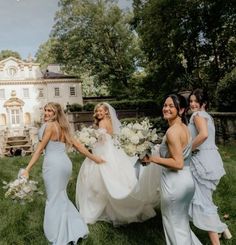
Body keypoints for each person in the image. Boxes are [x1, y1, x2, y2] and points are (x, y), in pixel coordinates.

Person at [21, 102, 104, 245]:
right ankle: (75, 226)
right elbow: (78, 146)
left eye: (50, 111)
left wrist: (27, 169)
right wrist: (95, 158)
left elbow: (40, 149)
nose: (46, 113)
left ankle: (57, 232)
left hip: (53, 165)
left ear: (56, 113)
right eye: (45, 110)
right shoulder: (63, 127)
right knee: (61, 195)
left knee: (53, 198)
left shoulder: (49, 126)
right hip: (65, 164)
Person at [76, 102, 161, 226]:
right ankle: (110, 208)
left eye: (101, 111)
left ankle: (97, 208)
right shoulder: (109, 122)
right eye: (97, 111)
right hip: (111, 152)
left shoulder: (102, 123)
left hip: (104, 152)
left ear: (106, 112)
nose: (99, 113)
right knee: (114, 179)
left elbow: (102, 140)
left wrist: (90, 141)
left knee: (98, 181)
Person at [142, 94, 202, 245]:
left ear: (181, 110)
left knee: (174, 228)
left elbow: (178, 163)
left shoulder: (172, 132)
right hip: (187, 181)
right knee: (181, 225)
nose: (166, 108)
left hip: (174, 183)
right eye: (165, 105)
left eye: (171, 106)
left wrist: (152, 159)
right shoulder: (184, 127)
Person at [188, 88, 232, 244]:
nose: (192, 104)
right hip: (211, 159)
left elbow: (204, 135)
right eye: (191, 101)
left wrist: (187, 149)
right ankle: (222, 229)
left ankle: (215, 242)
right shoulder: (208, 116)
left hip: (202, 163)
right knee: (205, 199)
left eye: (196, 101)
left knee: (202, 202)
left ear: (203, 103)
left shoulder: (198, 115)